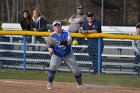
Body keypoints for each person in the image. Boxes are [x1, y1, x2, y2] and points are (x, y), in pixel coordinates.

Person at [46, 20, 84, 89]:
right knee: (53, 66)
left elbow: (69, 41)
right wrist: (50, 50)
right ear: (53, 27)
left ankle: (80, 84)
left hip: (68, 54)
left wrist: (60, 42)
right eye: (55, 25)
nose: (57, 27)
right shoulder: (52, 35)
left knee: (76, 71)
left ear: (61, 26)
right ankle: (49, 83)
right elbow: (49, 45)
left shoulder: (66, 33)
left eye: (58, 25)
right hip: (57, 54)